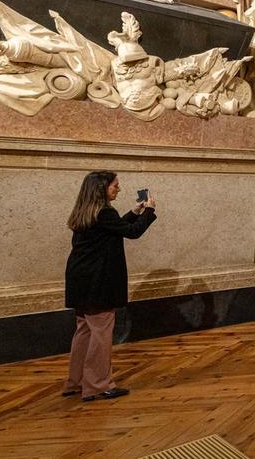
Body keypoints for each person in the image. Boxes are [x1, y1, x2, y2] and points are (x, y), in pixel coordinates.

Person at [62, 171, 156, 402]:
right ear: (102, 188)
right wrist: (149, 211)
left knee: (84, 331)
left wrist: (135, 212)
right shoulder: (105, 212)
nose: (118, 189)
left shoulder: (85, 211)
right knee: (101, 333)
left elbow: (114, 228)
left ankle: (75, 382)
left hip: (79, 278)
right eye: (115, 185)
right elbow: (132, 233)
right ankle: (97, 385)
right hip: (98, 280)